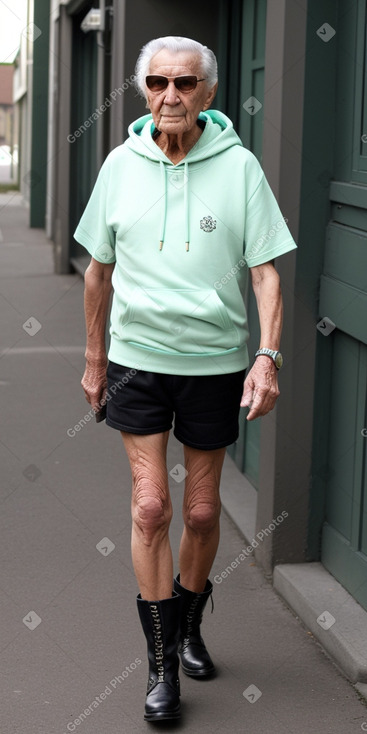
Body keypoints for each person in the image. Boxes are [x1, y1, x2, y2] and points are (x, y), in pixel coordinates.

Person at [74, 35, 297, 723]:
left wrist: (267, 356)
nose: (171, 96)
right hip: (138, 360)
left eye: (186, 83)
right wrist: (93, 359)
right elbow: (98, 271)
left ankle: (191, 621)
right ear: (143, 89)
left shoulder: (239, 167)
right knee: (151, 508)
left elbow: (264, 271)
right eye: (158, 82)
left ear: (208, 91)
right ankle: (161, 664)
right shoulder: (119, 164)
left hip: (214, 365)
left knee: (200, 512)